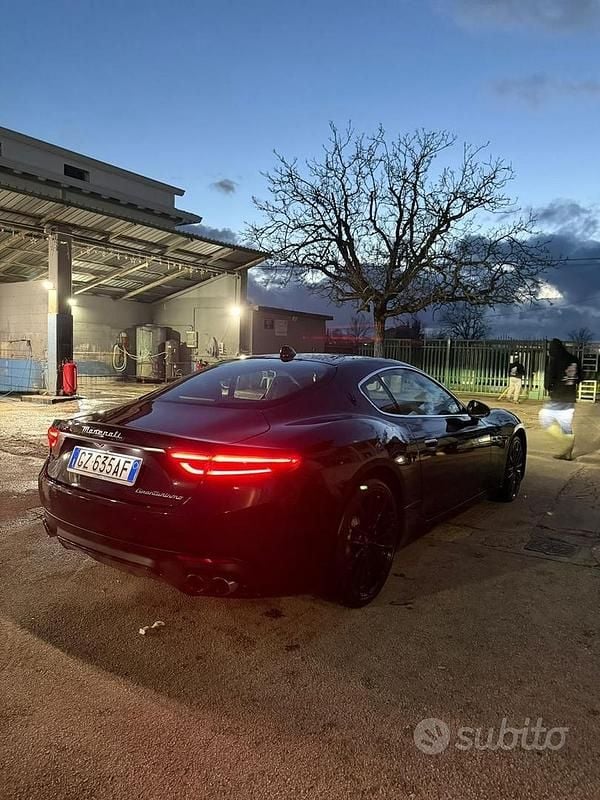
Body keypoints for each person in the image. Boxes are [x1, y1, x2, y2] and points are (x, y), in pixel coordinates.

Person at [539, 338, 582, 461]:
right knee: (565, 424)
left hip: (558, 396)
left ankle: (566, 443)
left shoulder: (555, 360)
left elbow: (548, 380)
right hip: (570, 397)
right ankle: (567, 453)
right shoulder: (574, 359)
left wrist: (549, 387)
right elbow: (580, 377)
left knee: (544, 418)